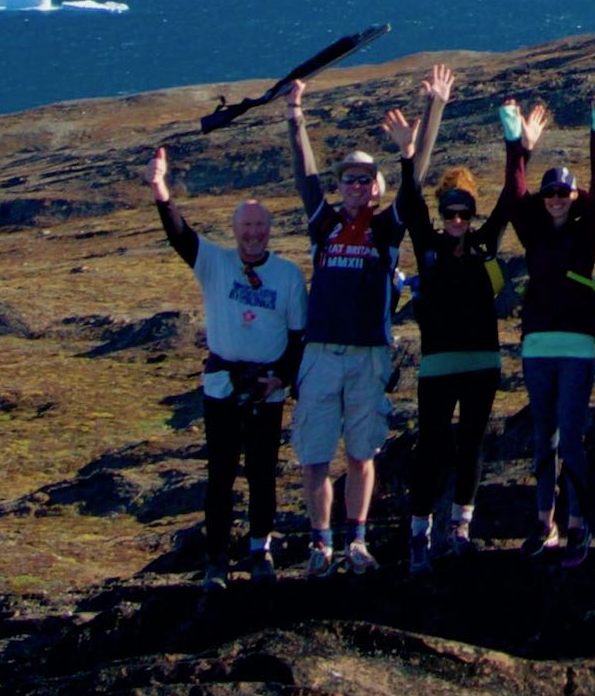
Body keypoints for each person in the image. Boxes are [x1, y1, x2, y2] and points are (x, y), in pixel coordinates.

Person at [148, 141, 305, 577]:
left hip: (267, 390)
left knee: (261, 474)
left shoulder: (288, 276)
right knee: (219, 476)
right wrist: (161, 189)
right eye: (246, 227)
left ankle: (260, 551)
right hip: (221, 388)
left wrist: (280, 380)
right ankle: (216, 558)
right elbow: (179, 234)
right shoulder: (214, 263)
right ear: (235, 230)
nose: (253, 234)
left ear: (269, 231)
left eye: (260, 227)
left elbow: (298, 339)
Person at [385, 68, 511, 571]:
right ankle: (420, 532)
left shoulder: (485, 246)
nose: (457, 221)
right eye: (450, 213)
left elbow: (511, 198)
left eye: (464, 213)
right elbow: (409, 203)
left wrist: (516, 144)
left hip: (482, 362)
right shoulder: (430, 246)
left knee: (472, 446)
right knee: (431, 447)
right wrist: (407, 153)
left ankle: (461, 525)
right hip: (438, 364)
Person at [287, 86, 408, 575]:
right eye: (349, 181)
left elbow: (415, 188)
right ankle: (321, 545)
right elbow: (305, 178)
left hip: (367, 355)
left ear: (377, 187)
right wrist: (295, 117)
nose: (356, 187)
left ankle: (357, 541)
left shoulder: (387, 229)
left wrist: (409, 150)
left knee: (362, 453)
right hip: (319, 353)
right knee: (314, 455)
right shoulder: (324, 224)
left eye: (364, 180)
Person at [494, 95, 595, 564]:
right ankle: (546, 523)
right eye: (551, 195)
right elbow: (514, 192)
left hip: (577, 346)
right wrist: (517, 144)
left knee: (571, 431)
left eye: (564, 194)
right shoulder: (532, 229)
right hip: (538, 345)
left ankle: (579, 523)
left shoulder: (586, 229)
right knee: (544, 433)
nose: (557, 201)